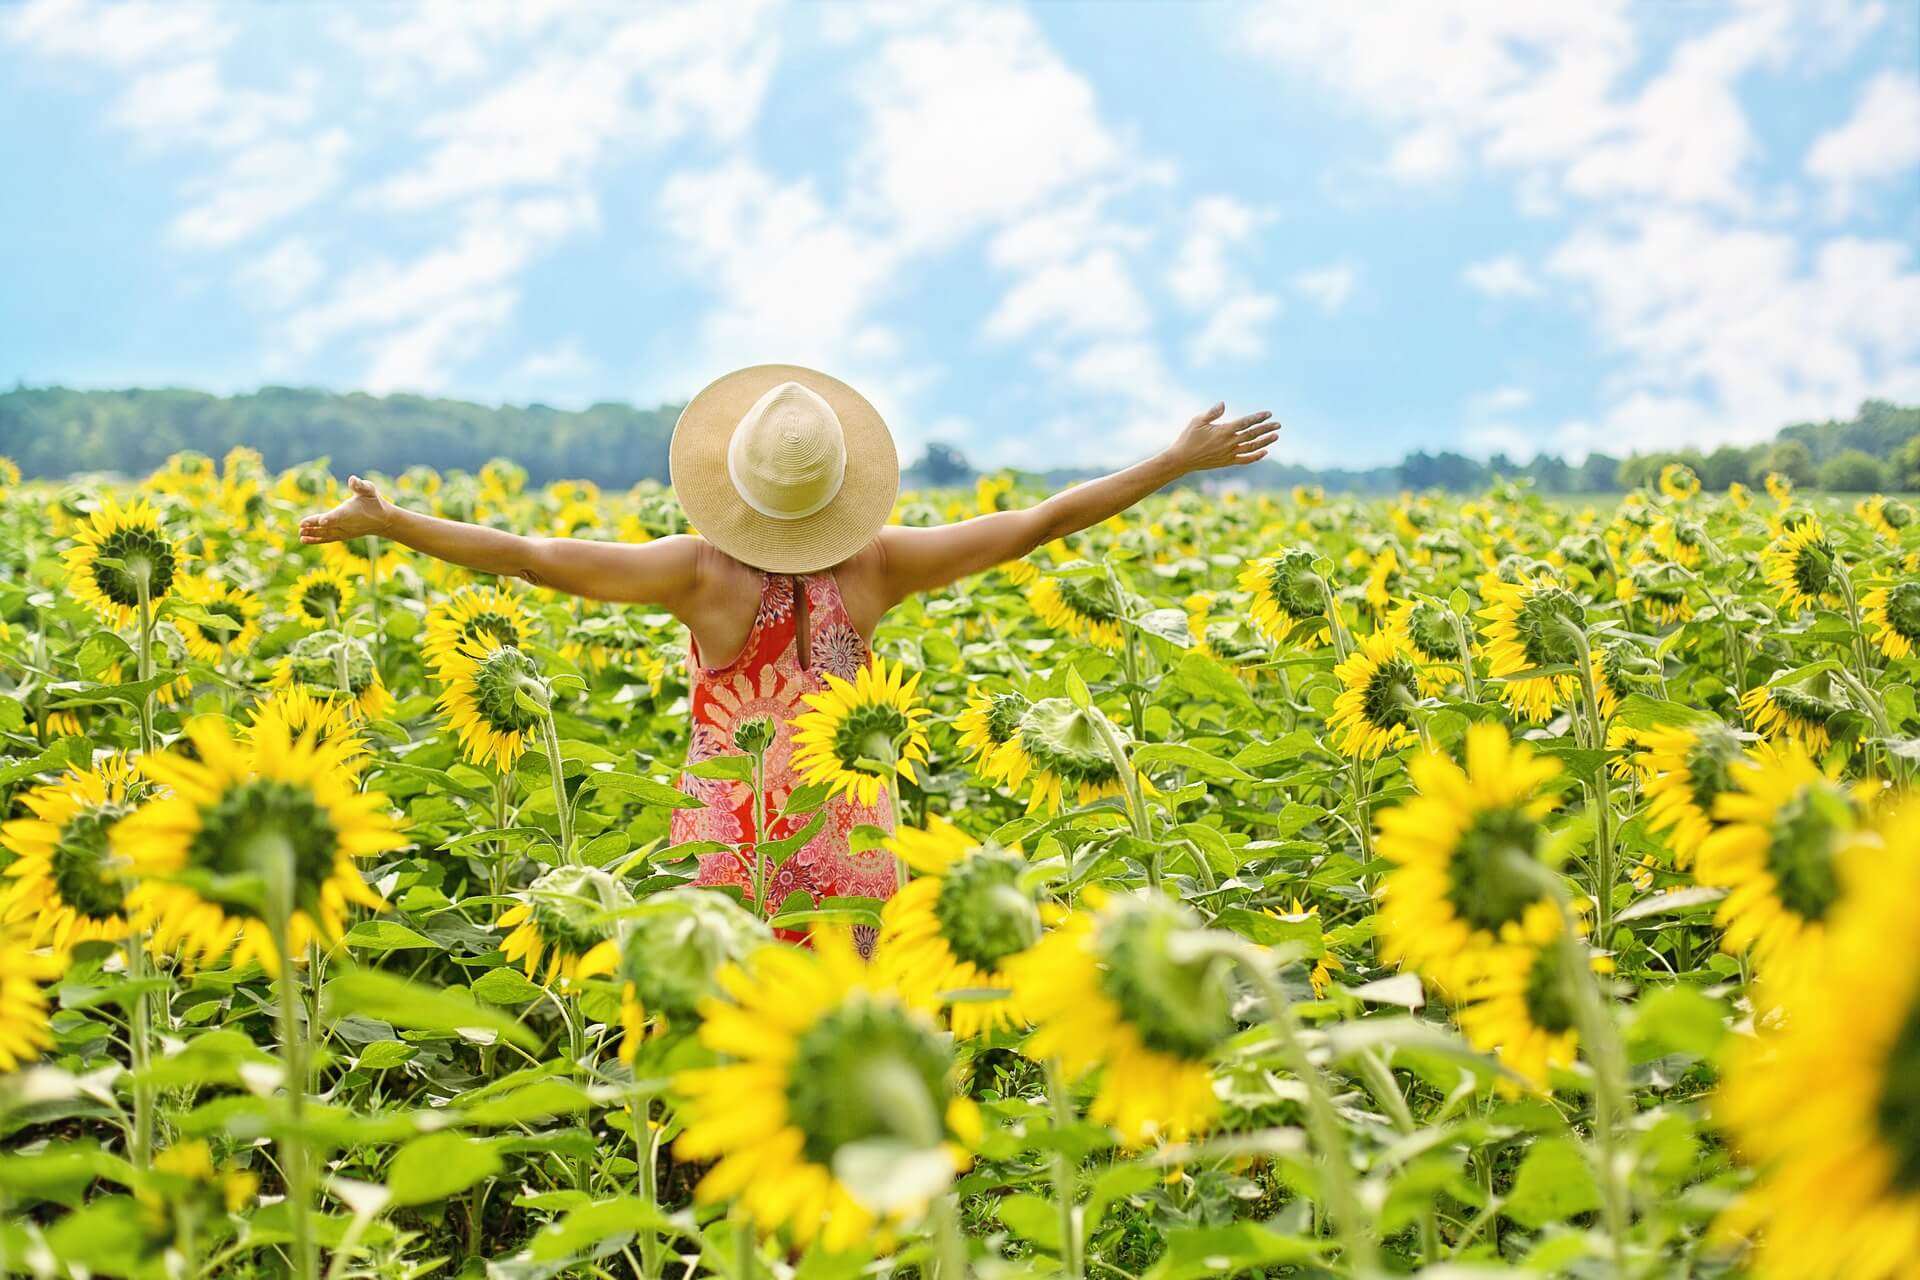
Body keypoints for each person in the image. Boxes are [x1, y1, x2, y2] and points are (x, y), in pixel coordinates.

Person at [300, 363, 1277, 925]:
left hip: (740, 849)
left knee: (741, 1050)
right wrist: (1171, 462)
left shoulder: (701, 574)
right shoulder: (881, 565)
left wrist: (397, 523)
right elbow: (1036, 522)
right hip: (855, 848)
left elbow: (531, 554)